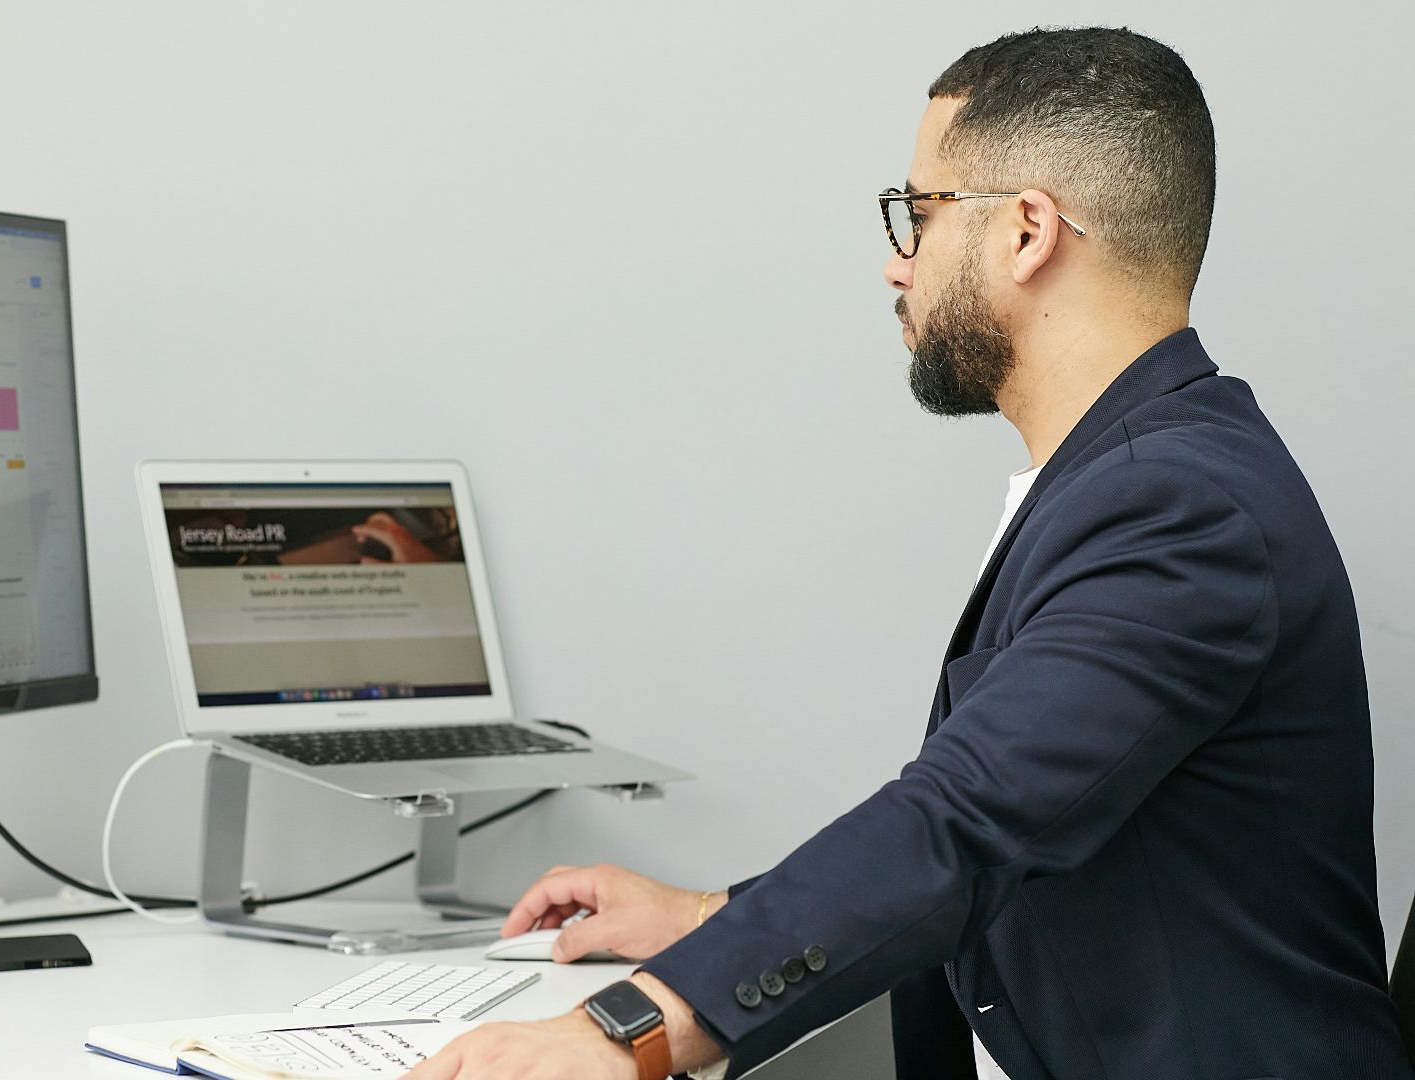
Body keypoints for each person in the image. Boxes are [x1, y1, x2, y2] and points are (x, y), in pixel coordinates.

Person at [404, 26, 1413, 1080]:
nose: (897, 261)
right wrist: (710, 919)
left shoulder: (1177, 509)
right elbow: (1016, 820)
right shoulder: (1130, 479)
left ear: (1027, 232)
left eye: (918, 216)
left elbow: (965, 820)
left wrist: (620, 1032)